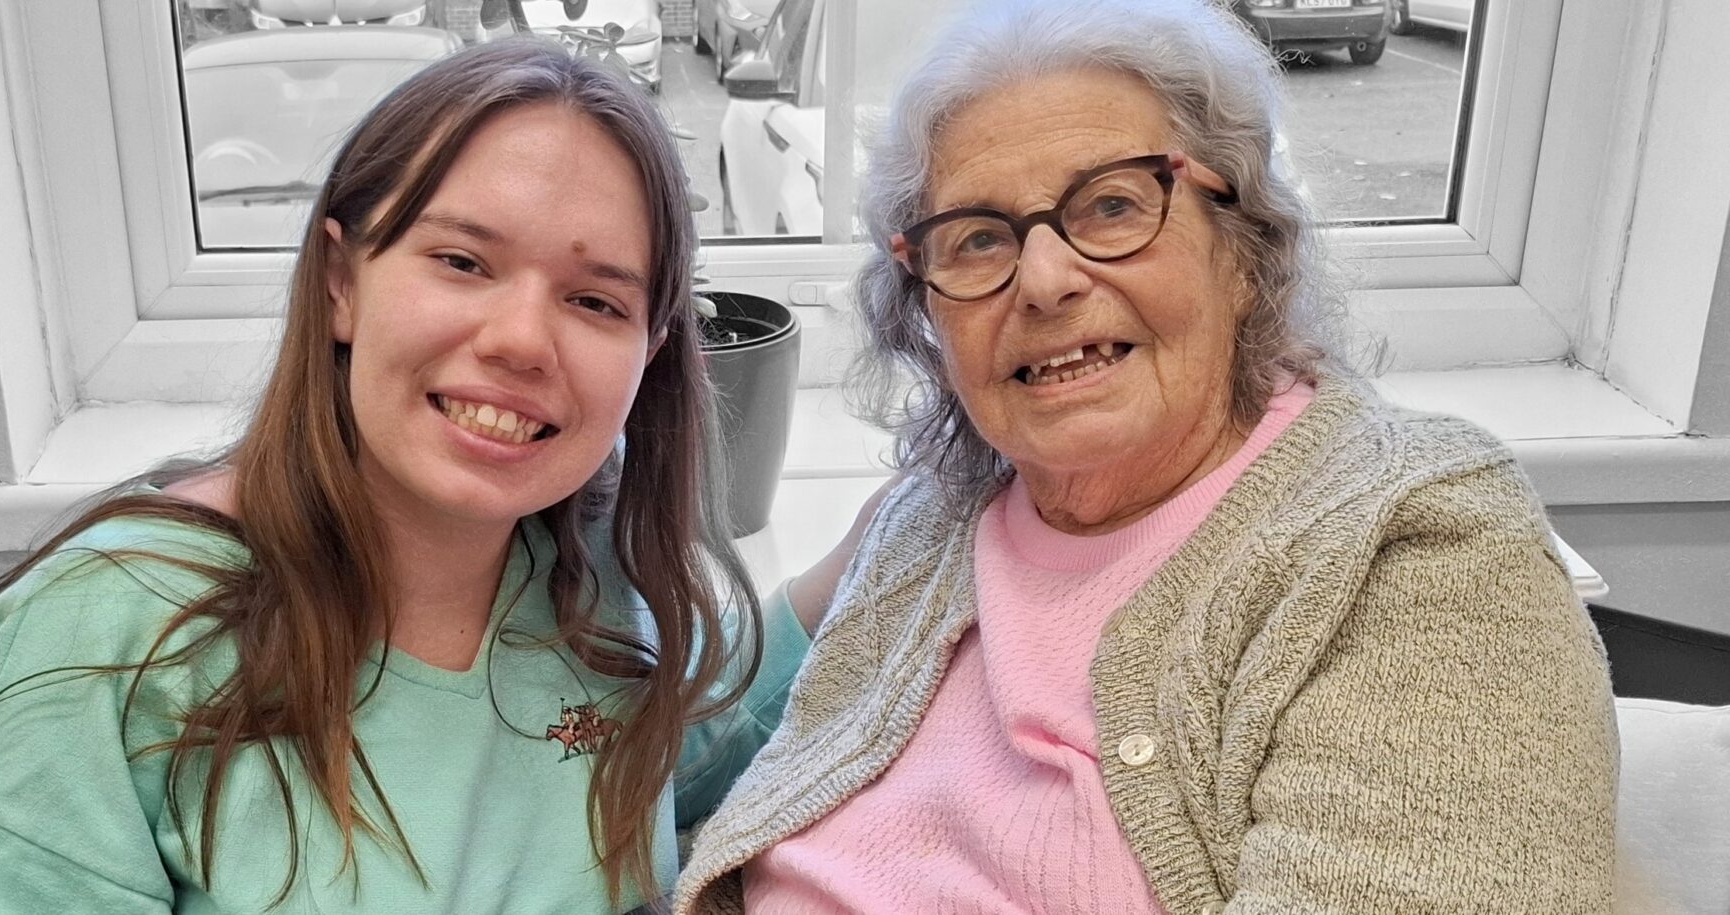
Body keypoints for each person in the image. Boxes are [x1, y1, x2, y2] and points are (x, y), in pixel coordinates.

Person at [675, 1, 1618, 912]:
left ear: (1245, 249)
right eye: (975, 239)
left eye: (1114, 204)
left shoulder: (1419, 550)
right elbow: (676, 737)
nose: (1043, 280)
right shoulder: (931, 518)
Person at [0, 39, 846, 915]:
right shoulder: (104, 638)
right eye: (463, 260)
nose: (520, 340)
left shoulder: (591, 558)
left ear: (651, 348)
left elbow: (676, 752)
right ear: (343, 281)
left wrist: (888, 542)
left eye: (594, 300)